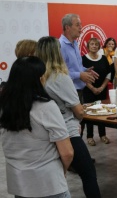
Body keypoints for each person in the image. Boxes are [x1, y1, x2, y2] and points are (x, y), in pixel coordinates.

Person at [36, 36, 101, 198]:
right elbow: (78, 110)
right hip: (67, 132)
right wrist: (81, 114)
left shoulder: (38, 78)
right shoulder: (60, 78)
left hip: (46, 133)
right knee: (89, 174)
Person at [0, 56, 73, 198]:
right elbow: (67, 152)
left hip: (19, 184)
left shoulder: (4, 106)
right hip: (49, 183)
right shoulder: (46, 107)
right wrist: (62, 170)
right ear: (39, 79)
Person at [59, 13, 99, 103]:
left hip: (80, 91)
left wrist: (85, 70)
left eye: (80, 24)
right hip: (68, 92)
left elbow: (73, 67)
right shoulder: (61, 46)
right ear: (67, 27)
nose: (81, 27)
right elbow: (59, 73)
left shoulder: (75, 43)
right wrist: (80, 75)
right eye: (77, 25)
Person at [82, 38, 111, 146]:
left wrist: (102, 87)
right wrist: (92, 88)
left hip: (102, 90)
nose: (94, 46)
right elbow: (82, 76)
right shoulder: (83, 59)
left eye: (96, 44)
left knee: (101, 112)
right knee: (90, 113)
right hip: (89, 91)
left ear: (99, 47)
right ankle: (89, 136)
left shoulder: (103, 58)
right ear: (88, 46)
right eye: (92, 44)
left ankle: (102, 135)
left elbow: (108, 74)